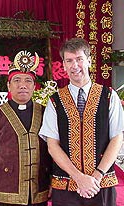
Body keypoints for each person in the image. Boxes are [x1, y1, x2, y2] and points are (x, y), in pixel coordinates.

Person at [39, 38, 124, 206]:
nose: (74, 65)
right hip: (65, 186)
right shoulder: (55, 100)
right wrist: (79, 178)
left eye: (79, 59)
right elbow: (52, 145)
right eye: (69, 61)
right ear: (63, 65)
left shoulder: (108, 96)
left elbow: (117, 138)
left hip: (101, 183)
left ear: (89, 61)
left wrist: (95, 177)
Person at [0, 50, 52, 206]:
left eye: (28, 81)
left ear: (34, 86)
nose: (22, 86)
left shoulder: (46, 113)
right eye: (17, 80)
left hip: (39, 191)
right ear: (8, 85)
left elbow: (54, 151)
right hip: (5, 191)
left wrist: (53, 181)